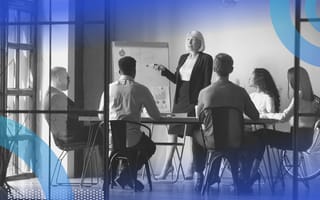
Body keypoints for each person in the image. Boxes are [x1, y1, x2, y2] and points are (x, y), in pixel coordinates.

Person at [194, 53, 259, 192]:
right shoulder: (240, 92)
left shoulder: (204, 92)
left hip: (212, 142)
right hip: (235, 142)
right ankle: (243, 177)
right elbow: (255, 116)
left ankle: (200, 175)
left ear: (214, 70)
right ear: (231, 70)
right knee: (256, 139)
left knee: (195, 134)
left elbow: (198, 118)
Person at [155, 30, 213, 180]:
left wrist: (203, 103)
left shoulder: (206, 59)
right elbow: (177, 80)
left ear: (200, 42)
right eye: (188, 39)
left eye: (193, 39)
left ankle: (194, 165)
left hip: (195, 101)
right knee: (172, 132)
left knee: (194, 133)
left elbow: (207, 83)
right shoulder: (182, 58)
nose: (190, 42)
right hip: (180, 99)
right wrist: (165, 71)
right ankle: (167, 165)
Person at [98, 56, 161, 191]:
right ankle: (126, 176)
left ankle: (117, 177)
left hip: (112, 141)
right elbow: (155, 116)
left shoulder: (108, 89)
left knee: (119, 147)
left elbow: (100, 115)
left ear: (119, 72)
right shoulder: (141, 89)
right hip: (133, 140)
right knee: (149, 146)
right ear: (134, 71)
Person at [252, 67, 318, 185]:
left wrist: (262, 115)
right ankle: (252, 174)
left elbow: (284, 117)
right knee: (262, 135)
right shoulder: (314, 98)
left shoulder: (299, 96)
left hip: (295, 140)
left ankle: (251, 174)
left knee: (261, 134)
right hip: (305, 140)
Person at [43, 67, 102, 146]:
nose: (69, 80)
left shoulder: (50, 94)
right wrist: (99, 113)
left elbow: (74, 114)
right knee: (103, 130)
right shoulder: (56, 97)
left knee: (99, 127)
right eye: (66, 77)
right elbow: (77, 115)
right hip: (69, 136)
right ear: (58, 78)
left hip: (63, 136)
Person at [244, 68, 281, 184]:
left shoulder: (268, 97)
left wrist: (257, 116)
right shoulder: (251, 96)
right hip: (248, 129)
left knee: (259, 138)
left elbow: (271, 117)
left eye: (251, 76)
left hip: (260, 131)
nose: (249, 78)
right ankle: (247, 173)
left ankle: (251, 173)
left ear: (259, 79)